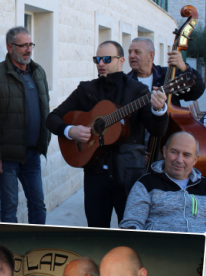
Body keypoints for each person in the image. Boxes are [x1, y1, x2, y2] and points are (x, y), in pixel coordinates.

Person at [46, 41, 169, 229]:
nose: (101, 64)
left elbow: (156, 130)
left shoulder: (137, 91)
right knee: (96, 232)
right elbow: (52, 118)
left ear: (121, 61)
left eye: (106, 59)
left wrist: (159, 111)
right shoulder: (86, 91)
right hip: (95, 176)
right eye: (97, 59)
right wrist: (70, 131)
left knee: (130, 231)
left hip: (128, 176)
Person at [0, 26, 52, 225]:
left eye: (30, 44)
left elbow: (45, 108)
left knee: (38, 204)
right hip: (7, 158)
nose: (28, 49)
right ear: (10, 47)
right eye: (23, 45)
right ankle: (11, 251)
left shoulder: (38, 72)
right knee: (9, 206)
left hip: (32, 154)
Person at [119, 131, 206, 233]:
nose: (179, 160)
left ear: (195, 159)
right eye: (174, 152)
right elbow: (131, 224)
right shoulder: (146, 184)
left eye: (187, 155)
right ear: (165, 152)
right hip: (160, 246)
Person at [127, 37, 205, 108]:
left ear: (151, 55)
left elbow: (197, 91)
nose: (131, 55)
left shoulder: (168, 75)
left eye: (137, 52)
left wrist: (184, 68)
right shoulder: (124, 82)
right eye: (130, 52)